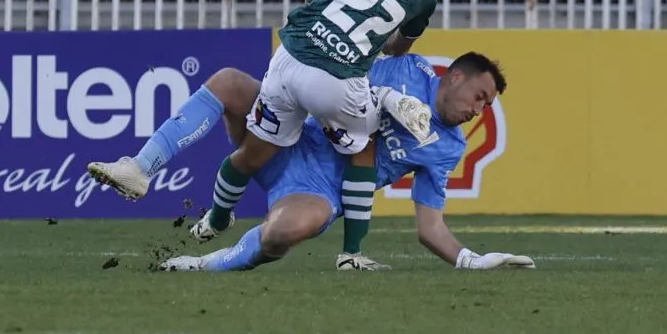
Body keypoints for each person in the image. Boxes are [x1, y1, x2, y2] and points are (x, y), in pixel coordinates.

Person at [89, 0, 442, 268]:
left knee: (254, 152)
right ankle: (352, 255)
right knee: (365, 146)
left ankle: (152, 176)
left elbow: (311, 1)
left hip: (288, 59)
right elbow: (396, 49)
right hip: (336, 82)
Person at [158, 52, 533, 272]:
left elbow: (429, 227)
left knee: (282, 233)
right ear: (454, 76)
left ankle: (204, 263)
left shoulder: (449, 147)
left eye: (486, 106)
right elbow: (343, 79)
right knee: (230, 83)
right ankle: (147, 168)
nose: (478, 111)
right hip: (292, 136)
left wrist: (472, 260)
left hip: (317, 191)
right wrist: (382, 96)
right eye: (480, 96)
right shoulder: (406, 69)